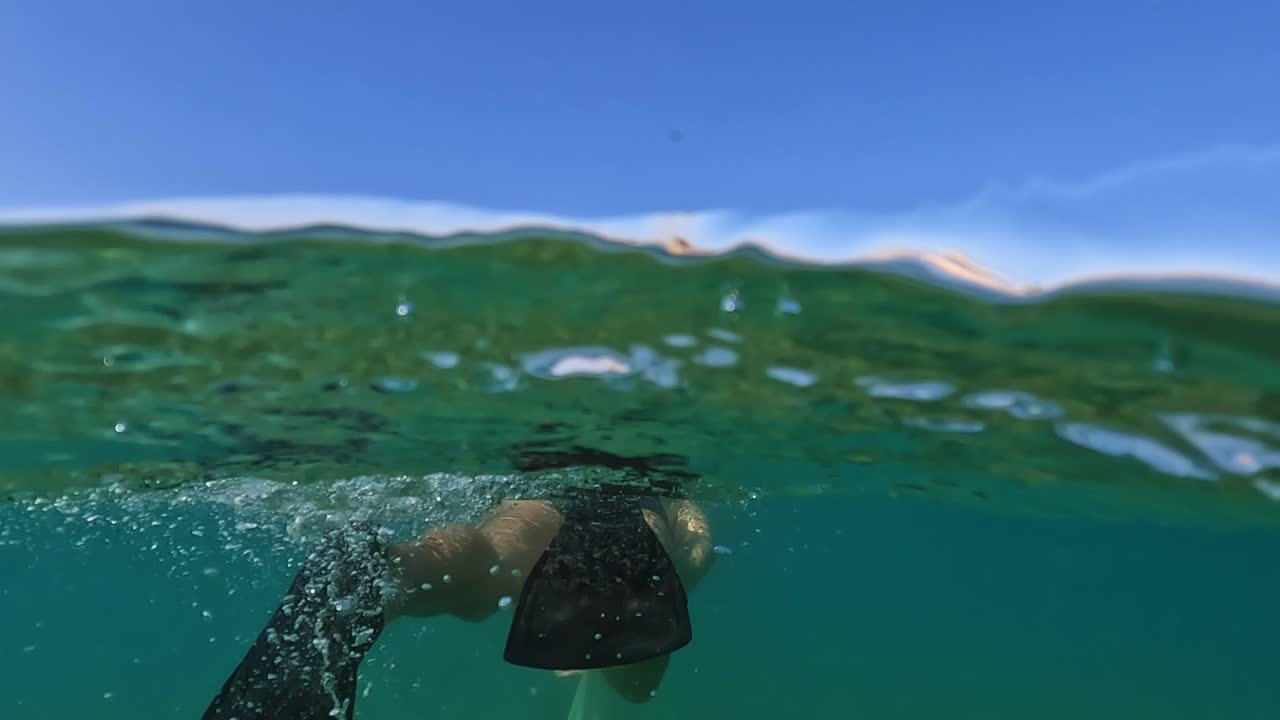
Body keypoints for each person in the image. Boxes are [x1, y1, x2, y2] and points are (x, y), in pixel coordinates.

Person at [202, 486, 714, 719]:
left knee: (488, 559)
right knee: (637, 686)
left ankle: (388, 571)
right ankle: (605, 642)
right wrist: (662, 587)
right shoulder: (671, 486)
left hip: (542, 493)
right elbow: (696, 546)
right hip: (635, 515)